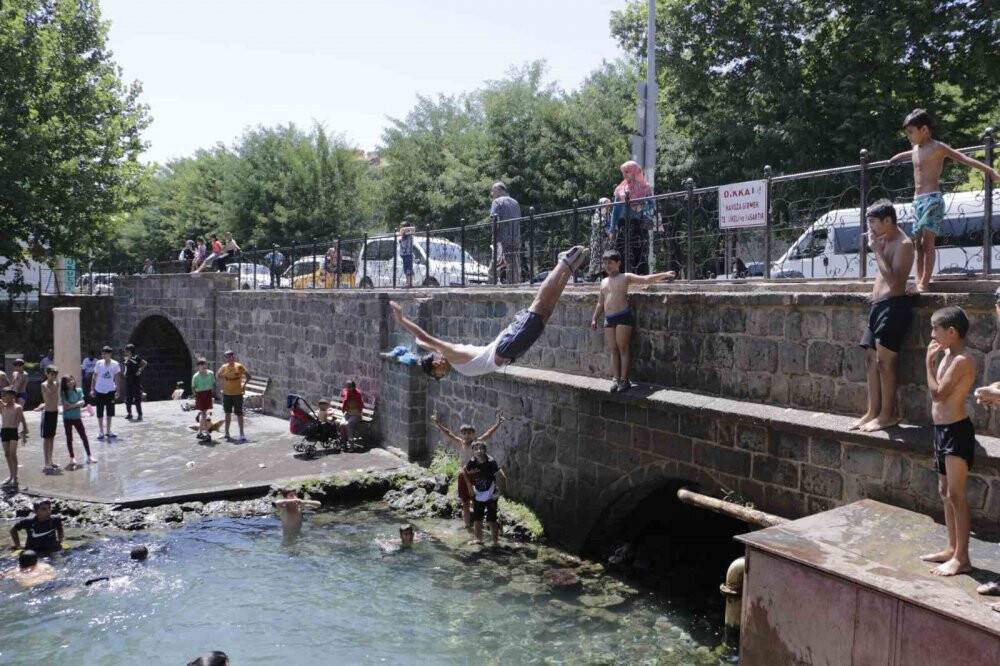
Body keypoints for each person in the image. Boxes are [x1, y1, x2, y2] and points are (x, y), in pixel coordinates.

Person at [394, 245, 590, 379]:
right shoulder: (450, 359)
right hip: (509, 348)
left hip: (507, 346)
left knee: (540, 308)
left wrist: (402, 320)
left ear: (436, 365)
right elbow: (423, 342)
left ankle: (564, 262)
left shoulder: (451, 355)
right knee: (545, 311)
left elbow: (424, 337)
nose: (442, 376)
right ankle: (565, 266)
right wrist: (420, 344)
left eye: (437, 375)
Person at [888, 109, 1000, 293]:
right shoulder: (916, 148)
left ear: (924, 130)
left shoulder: (937, 147)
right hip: (918, 201)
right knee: (917, 242)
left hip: (932, 199)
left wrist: (990, 170)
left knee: (927, 242)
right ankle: (917, 280)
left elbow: (963, 158)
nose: (908, 136)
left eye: (910, 132)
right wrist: (898, 157)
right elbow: (912, 154)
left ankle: (924, 282)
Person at [848, 200, 916, 432]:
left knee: (884, 363)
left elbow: (896, 285)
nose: (870, 228)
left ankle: (888, 414)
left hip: (894, 305)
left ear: (888, 220)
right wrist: (878, 247)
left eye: (873, 223)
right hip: (877, 306)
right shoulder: (883, 239)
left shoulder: (904, 244)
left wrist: (876, 251)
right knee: (870, 360)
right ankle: (872, 412)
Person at [919, 306, 977, 577]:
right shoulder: (948, 354)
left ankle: (963, 558)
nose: (932, 335)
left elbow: (939, 395)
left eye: (936, 330)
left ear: (952, 333)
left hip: (956, 431)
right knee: (945, 494)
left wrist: (928, 365)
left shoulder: (961, 360)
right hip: (941, 431)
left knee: (957, 494)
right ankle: (952, 547)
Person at [591, 250, 676, 393]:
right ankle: (615, 379)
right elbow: (601, 302)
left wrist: (664, 274)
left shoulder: (625, 277)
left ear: (618, 263)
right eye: (605, 263)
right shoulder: (604, 281)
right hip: (609, 318)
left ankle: (624, 380)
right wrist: (594, 318)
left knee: (623, 347)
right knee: (613, 349)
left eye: (610, 262)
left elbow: (646, 279)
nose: (607, 266)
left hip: (623, 316)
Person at [430, 410, 505, 530]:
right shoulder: (461, 443)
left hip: (476, 475)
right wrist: (437, 423)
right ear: (461, 434)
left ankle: (477, 523)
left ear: (474, 434)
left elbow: (488, 434)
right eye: (464, 433)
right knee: (465, 502)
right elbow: (448, 433)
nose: (466, 435)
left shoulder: (477, 443)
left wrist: (498, 423)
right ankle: (466, 525)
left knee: (477, 501)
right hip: (463, 475)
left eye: (469, 433)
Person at [610, 161, 654, 275]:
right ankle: (622, 276)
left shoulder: (645, 187)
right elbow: (615, 210)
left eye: (626, 172)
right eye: (623, 172)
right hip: (623, 225)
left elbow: (652, 205)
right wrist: (612, 229)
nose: (624, 175)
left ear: (634, 172)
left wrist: (641, 206)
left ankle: (640, 276)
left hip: (639, 225)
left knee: (640, 251)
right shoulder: (621, 189)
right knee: (622, 252)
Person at [464, 442, 508, 546]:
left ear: (485, 450)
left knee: (491, 519)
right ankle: (478, 539)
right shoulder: (473, 460)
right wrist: (469, 485)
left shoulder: (491, 462)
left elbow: (501, 476)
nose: (478, 451)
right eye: (475, 449)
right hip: (479, 492)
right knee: (477, 518)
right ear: (473, 451)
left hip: (491, 494)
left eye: (481, 448)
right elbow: (465, 470)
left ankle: (495, 542)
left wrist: (500, 492)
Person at [490, 183, 522, 284]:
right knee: (513, 264)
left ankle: (491, 285)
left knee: (495, 262)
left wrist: (493, 237)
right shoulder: (515, 203)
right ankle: (514, 285)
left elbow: (494, 220)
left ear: (500, 190)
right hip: (515, 238)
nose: (492, 194)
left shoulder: (497, 202)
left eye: (493, 191)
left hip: (502, 239)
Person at [217, 350, 249, 443]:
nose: (229, 358)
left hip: (237, 394)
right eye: (227, 356)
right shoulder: (224, 367)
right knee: (227, 414)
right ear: (225, 358)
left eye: (230, 356)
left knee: (239, 414)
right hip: (227, 394)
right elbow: (218, 376)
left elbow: (248, 376)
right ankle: (227, 433)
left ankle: (242, 434)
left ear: (233, 357)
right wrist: (222, 383)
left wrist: (244, 385)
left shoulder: (239, 366)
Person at [61, 375, 94, 465]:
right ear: (65, 384)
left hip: (77, 417)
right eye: (68, 381)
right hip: (67, 418)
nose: (71, 382)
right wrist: (76, 405)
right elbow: (65, 406)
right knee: (69, 438)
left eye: (72, 380)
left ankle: (89, 456)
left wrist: (72, 405)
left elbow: (82, 402)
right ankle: (72, 457)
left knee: (84, 436)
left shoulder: (79, 390)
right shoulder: (64, 393)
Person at [90, 345, 122, 440]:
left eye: (105, 353)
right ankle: (101, 431)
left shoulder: (115, 364)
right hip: (99, 390)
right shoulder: (99, 363)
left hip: (110, 390)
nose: (103, 355)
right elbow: (94, 376)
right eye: (102, 353)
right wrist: (92, 389)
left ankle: (108, 430)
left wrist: (118, 390)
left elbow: (117, 378)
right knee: (100, 411)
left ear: (110, 354)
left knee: (110, 411)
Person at [34, 365, 61, 473]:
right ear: (47, 373)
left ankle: (50, 460)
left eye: (55, 374)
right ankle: (46, 463)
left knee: (52, 437)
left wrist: (57, 382)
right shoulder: (44, 385)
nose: (54, 376)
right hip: (47, 413)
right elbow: (50, 394)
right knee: (46, 438)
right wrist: (56, 383)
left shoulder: (56, 383)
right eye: (52, 373)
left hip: (54, 412)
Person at [1, 386, 28, 489]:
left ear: (12, 396)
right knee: (7, 454)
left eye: (5, 395)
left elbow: (23, 420)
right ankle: (11, 475)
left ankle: (15, 477)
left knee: (13, 454)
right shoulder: (2, 406)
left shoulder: (18, 407)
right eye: (2, 395)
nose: (3, 397)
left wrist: (24, 432)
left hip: (13, 431)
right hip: (4, 431)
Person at [588, 197, 613, 280]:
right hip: (597, 242)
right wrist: (603, 217)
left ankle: (605, 274)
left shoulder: (610, 215)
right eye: (605, 205)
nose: (607, 207)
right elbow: (598, 224)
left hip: (606, 242)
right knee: (596, 258)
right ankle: (593, 275)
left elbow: (613, 226)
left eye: (608, 205)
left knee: (606, 257)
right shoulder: (596, 215)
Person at [191, 358, 216, 442]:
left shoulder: (210, 373)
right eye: (201, 365)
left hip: (208, 393)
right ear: (198, 367)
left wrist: (211, 395)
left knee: (204, 413)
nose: (203, 366)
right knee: (204, 414)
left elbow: (212, 383)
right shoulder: (196, 376)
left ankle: (200, 432)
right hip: (200, 394)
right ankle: (206, 433)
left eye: (204, 364)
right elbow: (193, 387)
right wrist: (196, 397)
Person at [122, 343, 147, 422]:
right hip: (128, 380)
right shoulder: (126, 358)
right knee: (128, 398)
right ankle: (129, 413)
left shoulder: (136, 357)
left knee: (137, 398)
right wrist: (125, 373)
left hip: (135, 380)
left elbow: (144, 363)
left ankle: (140, 414)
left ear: (130, 351)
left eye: (127, 350)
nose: (125, 352)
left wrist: (139, 370)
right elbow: (126, 367)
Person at [398, 221, 416, 288]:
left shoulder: (409, 234)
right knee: (406, 269)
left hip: (408, 254)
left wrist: (403, 229)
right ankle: (408, 283)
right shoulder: (403, 236)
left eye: (402, 227)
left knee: (408, 268)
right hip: (404, 254)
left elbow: (413, 229)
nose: (401, 228)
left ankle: (409, 283)